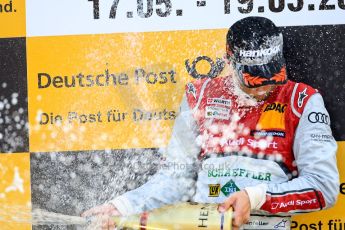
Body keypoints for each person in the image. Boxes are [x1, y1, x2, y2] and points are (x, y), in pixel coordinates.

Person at [82, 17, 339, 230]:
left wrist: (256, 197)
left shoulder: (302, 100)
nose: (265, 87)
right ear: (230, 61)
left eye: (272, 75)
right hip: (203, 222)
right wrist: (123, 206)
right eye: (254, 79)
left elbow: (324, 187)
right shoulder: (200, 95)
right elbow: (175, 177)